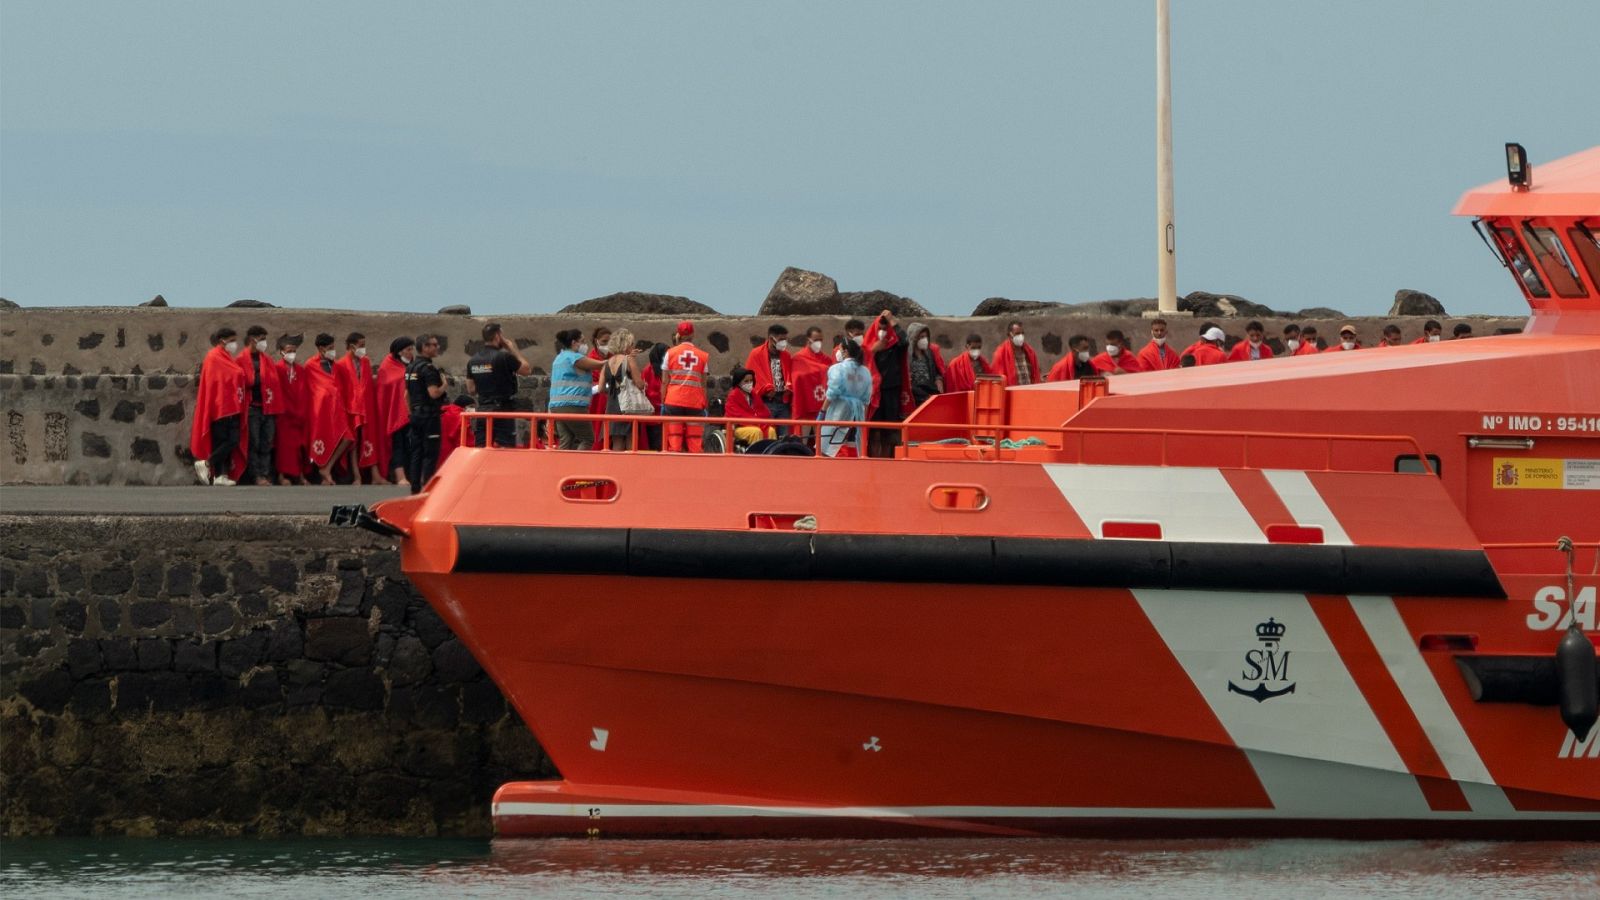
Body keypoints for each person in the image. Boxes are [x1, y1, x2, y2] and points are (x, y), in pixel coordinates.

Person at [189, 328, 246, 486]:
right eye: (232, 340)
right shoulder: (213, 357)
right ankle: (207, 463)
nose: (235, 344)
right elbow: (220, 380)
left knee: (227, 441)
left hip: (232, 405)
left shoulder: (227, 357)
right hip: (220, 406)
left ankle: (221, 475)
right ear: (223, 340)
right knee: (229, 441)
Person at [467, 322, 532, 448]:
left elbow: (471, 390)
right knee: (505, 449)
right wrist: (512, 348)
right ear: (498, 336)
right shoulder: (504, 356)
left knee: (482, 448)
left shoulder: (473, 360)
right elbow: (526, 370)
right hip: (503, 410)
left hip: (483, 410)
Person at [302, 333, 353, 482]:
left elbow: (340, 387)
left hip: (337, 409)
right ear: (321, 348)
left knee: (347, 437)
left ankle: (327, 468)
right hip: (320, 411)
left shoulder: (336, 366)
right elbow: (312, 388)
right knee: (323, 439)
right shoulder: (310, 365)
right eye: (330, 348)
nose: (333, 351)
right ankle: (324, 472)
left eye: (333, 347)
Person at [239, 325, 285, 484]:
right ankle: (256, 475)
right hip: (252, 408)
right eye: (262, 339)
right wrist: (256, 380)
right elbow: (241, 381)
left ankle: (265, 474)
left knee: (267, 443)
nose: (264, 343)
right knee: (254, 443)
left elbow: (274, 383)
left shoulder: (268, 360)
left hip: (268, 408)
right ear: (253, 340)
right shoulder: (241, 360)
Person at [334, 332, 381, 483]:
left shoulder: (365, 362)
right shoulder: (341, 364)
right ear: (352, 346)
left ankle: (374, 474)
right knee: (353, 443)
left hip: (366, 406)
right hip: (351, 408)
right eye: (361, 345)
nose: (364, 348)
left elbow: (367, 385)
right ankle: (356, 475)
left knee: (369, 439)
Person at [404, 333, 447, 492]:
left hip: (415, 415)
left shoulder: (410, 367)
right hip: (429, 416)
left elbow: (406, 395)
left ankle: (415, 489)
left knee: (416, 453)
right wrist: (444, 385)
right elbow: (434, 393)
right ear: (424, 347)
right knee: (430, 454)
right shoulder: (428, 368)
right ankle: (428, 490)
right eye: (434, 345)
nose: (437, 347)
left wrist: (411, 413)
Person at [548, 328, 604, 450]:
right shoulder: (575, 358)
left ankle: (561, 468)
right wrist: (619, 359)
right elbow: (600, 365)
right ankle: (578, 467)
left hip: (556, 406)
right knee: (587, 439)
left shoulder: (560, 358)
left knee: (566, 440)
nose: (585, 345)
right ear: (574, 342)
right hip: (573, 405)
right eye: (582, 341)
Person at [864, 309, 910, 457]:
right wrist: (873, 351)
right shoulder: (869, 345)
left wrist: (893, 322)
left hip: (891, 391)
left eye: (886, 329)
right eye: (880, 329)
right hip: (873, 392)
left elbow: (905, 341)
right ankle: (873, 459)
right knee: (873, 432)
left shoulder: (895, 345)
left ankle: (886, 460)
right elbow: (861, 362)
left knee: (889, 432)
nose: (883, 332)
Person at [661, 321, 710, 452]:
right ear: (693, 334)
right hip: (694, 402)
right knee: (694, 440)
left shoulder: (670, 353)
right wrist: (704, 402)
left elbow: (665, 381)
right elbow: (703, 384)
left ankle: (674, 466)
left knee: (674, 438)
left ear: (679, 334)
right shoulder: (702, 356)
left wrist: (663, 401)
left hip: (673, 401)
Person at [821, 338, 873, 458]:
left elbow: (831, 393)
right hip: (858, 417)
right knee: (854, 450)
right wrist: (863, 421)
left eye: (839, 349)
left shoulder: (837, 369)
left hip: (838, 414)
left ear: (845, 351)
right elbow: (866, 399)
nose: (837, 352)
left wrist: (822, 412)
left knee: (828, 449)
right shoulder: (865, 371)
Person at [375, 336, 415, 484]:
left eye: (412, 349)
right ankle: (400, 477)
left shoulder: (413, 366)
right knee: (398, 444)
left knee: (411, 445)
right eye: (408, 350)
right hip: (396, 414)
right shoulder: (387, 367)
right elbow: (386, 390)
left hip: (412, 412)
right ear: (399, 352)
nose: (411, 352)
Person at [600, 327, 646, 450]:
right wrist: (643, 384)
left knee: (616, 442)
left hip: (612, 405)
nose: (633, 346)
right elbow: (639, 383)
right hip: (627, 405)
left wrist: (613, 389)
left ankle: (615, 468)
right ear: (626, 345)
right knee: (631, 440)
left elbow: (600, 388)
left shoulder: (607, 363)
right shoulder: (629, 360)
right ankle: (629, 468)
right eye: (631, 344)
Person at [744, 324, 794, 436]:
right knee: (768, 436)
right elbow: (749, 379)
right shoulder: (756, 354)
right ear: (772, 339)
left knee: (785, 437)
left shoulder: (786, 356)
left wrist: (789, 387)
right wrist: (764, 389)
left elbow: (790, 375)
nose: (784, 342)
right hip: (766, 403)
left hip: (783, 404)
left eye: (785, 339)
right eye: (781, 339)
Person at [272, 335, 307, 485]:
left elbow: (303, 390)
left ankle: (299, 475)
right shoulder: (277, 368)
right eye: (289, 350)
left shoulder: (300, 369)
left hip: (298, 413)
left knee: (299, 446)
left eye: (294, 350)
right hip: (283, 414)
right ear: (281, 352)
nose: (292, 353)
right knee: (283, 447)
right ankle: (282, 475)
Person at [789, 326, 834, 440]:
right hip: (805, 408)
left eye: (821, 340)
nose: (819, 343)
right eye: (816, 340)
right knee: (802, 441)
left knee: (822, 443)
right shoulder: (798, 358)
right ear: (808, 340)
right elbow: (797, 379)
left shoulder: (826, 360)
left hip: (822, 408)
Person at [725, 366, 776, 445]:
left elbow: (762, 410)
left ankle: (771, 455)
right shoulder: (733, 396)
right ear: (738, 382)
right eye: (746, 381)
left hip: (755, 423)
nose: (749, 383)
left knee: (771, 431)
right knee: (756, 432)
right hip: (739, 427)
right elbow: (736, 414)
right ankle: (756, 456)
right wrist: (754, 420)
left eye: (751, 381)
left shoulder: (753, 394)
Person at [906, 322, 945, 407]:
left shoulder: (929, 354)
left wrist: (939, 381)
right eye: (921, 337)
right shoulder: (907, 358)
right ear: (914, 338)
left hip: (930, 396)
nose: (925, 340)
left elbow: (936, 372)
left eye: (926, 337)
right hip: (914, 399)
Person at [991, 320, 1041, 386]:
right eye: (1017, 333)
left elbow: (1035, 375)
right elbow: (998, 380)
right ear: (1009, 335)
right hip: (1012, 394)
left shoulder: (1030, 352)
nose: (1021, 336)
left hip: (1029, 393)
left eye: (1022, 333)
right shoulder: (1000, 354)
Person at [585, 326, 613, 444]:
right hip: (596, 401)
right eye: (604, 342)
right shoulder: (590, 359)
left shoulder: (613, 357)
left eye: (609, 342)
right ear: (596, 341)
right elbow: (588, 381)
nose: (607, 345)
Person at [640, 342, 667, 452]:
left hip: (665, 413)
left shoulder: (667, 370)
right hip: (652, 414)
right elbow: (644, 389)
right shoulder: (648, 370)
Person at [438, 394, 474, 467]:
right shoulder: (461, 417)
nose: (474, 409)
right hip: (452, 454)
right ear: (465, 406)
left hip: (439, 450)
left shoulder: (445, 412)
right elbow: (467, 441)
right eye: (471, 407)